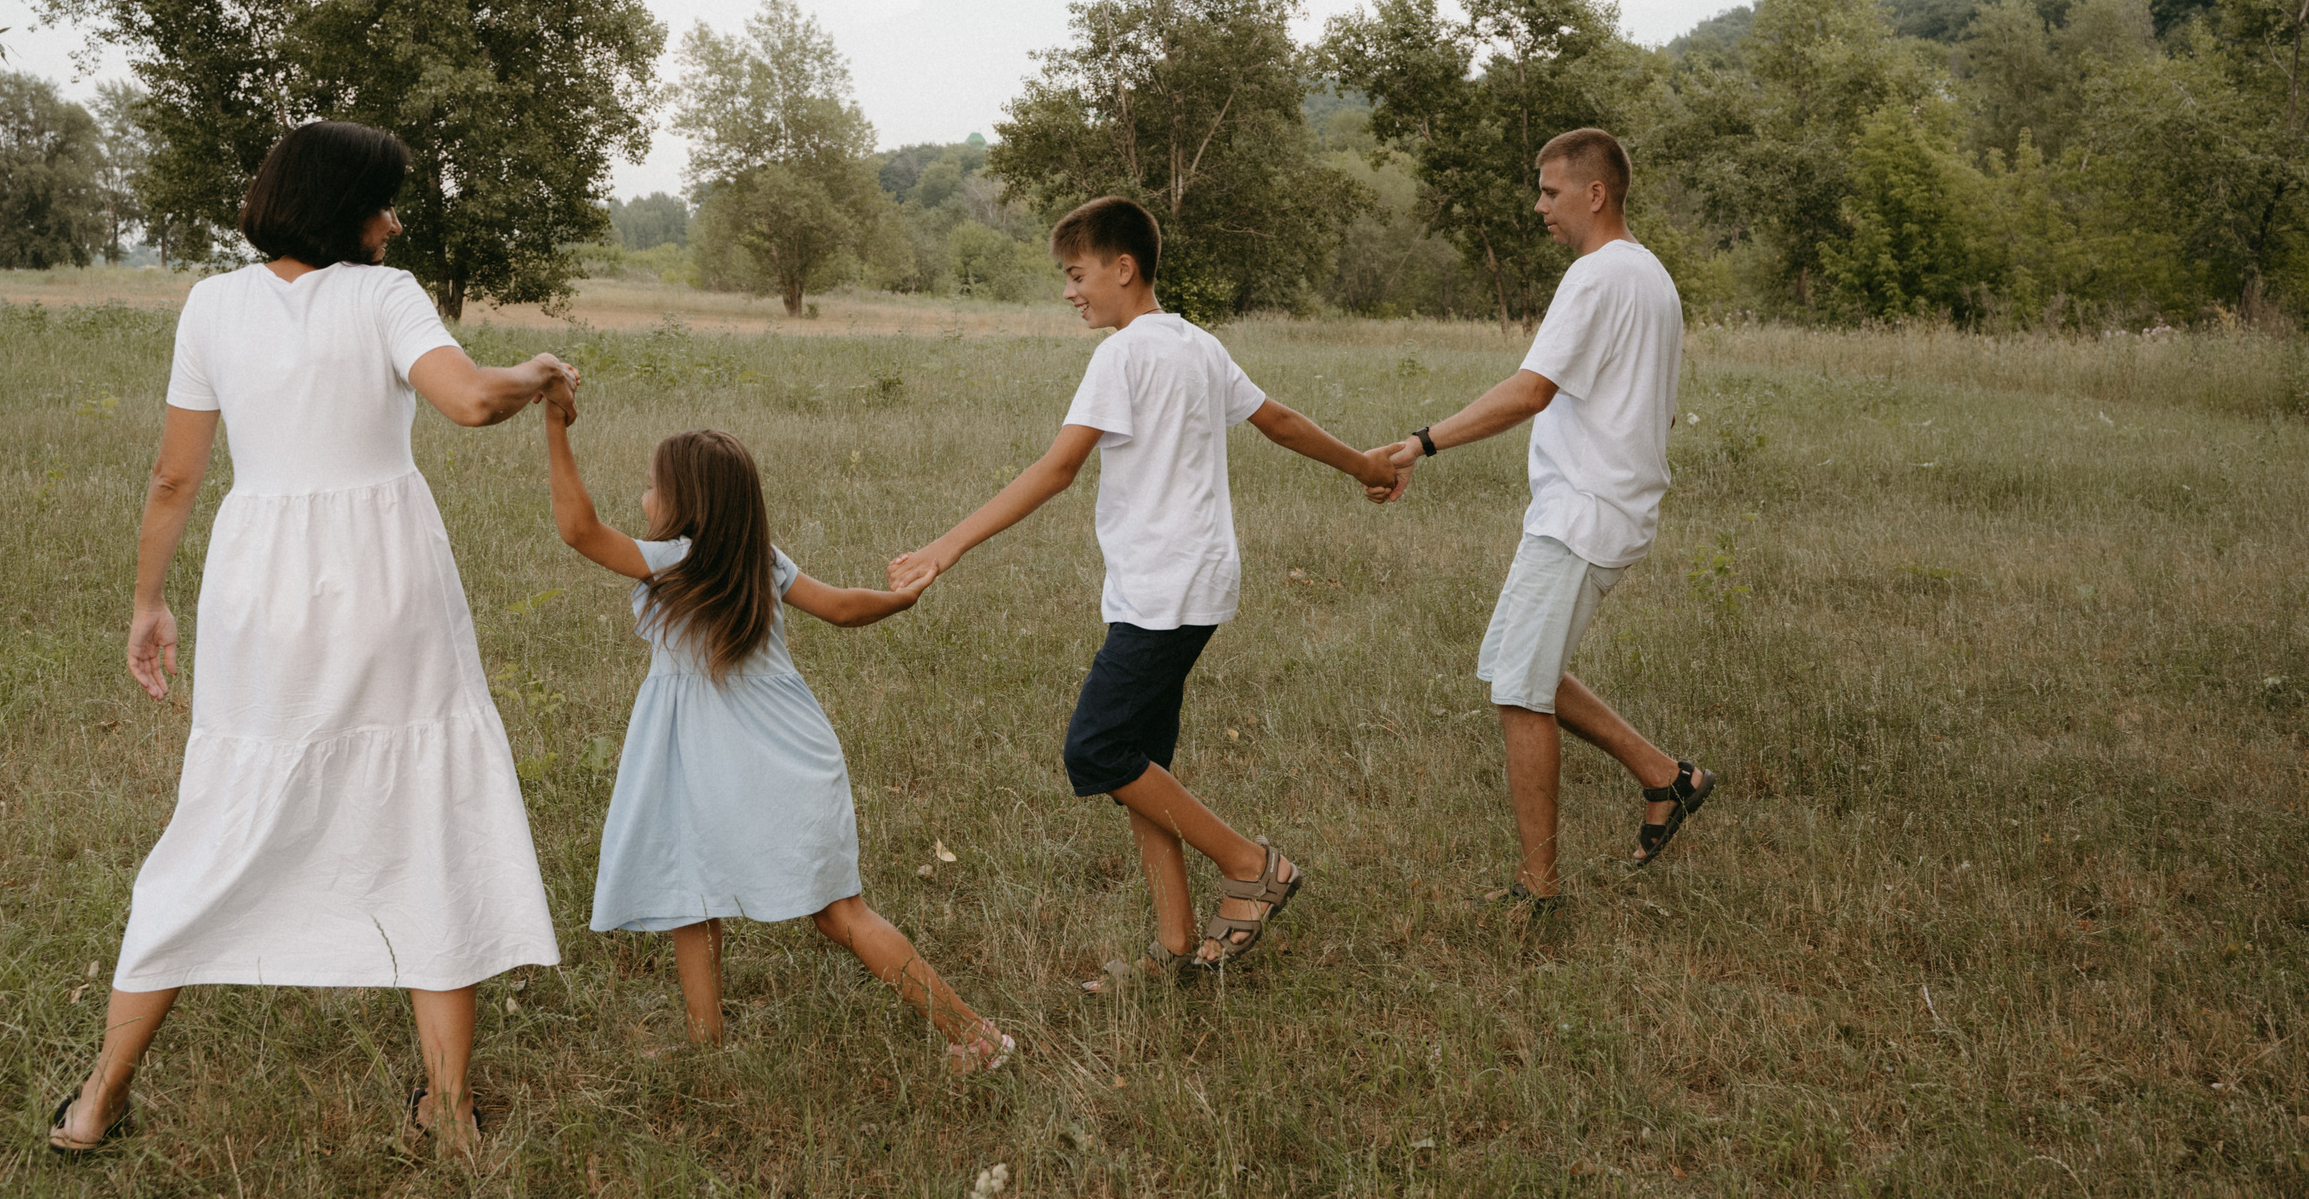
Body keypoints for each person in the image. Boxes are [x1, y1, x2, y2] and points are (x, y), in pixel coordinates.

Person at [50, 121, 579, 1156]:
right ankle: (450, 1113)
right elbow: (472, 400)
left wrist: (148, 602)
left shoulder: (212, 303)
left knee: (219, 819)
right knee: (428, 809)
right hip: (384, 576)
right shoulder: (385, 296)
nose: (394, 223)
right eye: (383, 202)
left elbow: (174, 475)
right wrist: (540, 368)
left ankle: (97, 1097)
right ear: (345, 208)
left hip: (259, 585)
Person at [889, 196, 1401, 983]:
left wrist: (945, 546)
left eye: (1077, 273)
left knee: (1096, 748)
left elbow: (1058, 468)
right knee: (1141, 762)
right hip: (1192, 581)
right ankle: (1172, 942)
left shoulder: (1122, 355)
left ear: (1123, 268)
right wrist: (1364, 464)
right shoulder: (1199, 344)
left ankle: (1252, 865)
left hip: (1165, 589)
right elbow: (1280, 421)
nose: (1069, 291)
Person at [543, 412, 1015, 1073]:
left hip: (734, 762)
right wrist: (899, 600)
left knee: (798, 907)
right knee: (717, 895)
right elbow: (843, 607)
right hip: (767, 755)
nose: (645, 496)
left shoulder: (672, 560)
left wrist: (555, 425)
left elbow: (578, 529)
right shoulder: (758, 559)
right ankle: (706, 1046)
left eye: (653, 486)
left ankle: (976, 1035)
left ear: (684, 503)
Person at [1373, 127, 1712, 910]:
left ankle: (1539, 888)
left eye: (1551, 191)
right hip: (1607, 505)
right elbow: (1653, 408)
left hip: (1584, 512)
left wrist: (1422, 441)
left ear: (1595, 192)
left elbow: (1531, 390)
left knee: (1519, 690)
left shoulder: (1596, 276)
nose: (1539, 206)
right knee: (1514, 665)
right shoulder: (1652, 275)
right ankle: (1667, 777)